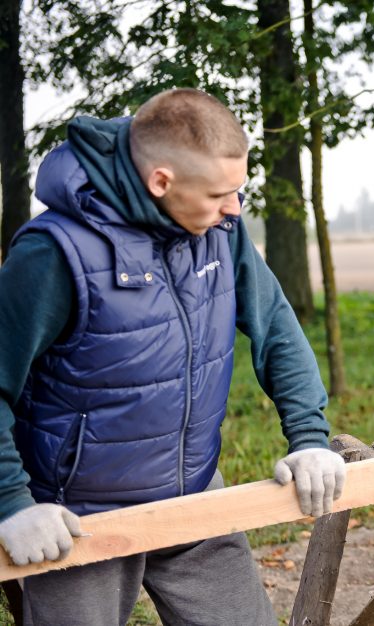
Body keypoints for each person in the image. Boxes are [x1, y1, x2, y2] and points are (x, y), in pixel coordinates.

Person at [0, 88, 347, 625]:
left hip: (194, 493)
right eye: (218, 195)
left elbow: (276, 327)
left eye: (238, 190)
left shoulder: (218, 231)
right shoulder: (52, 254)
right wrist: (12, 504)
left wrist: (308, 438)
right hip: (76, 515)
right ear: (161, 181)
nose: (234, 208)